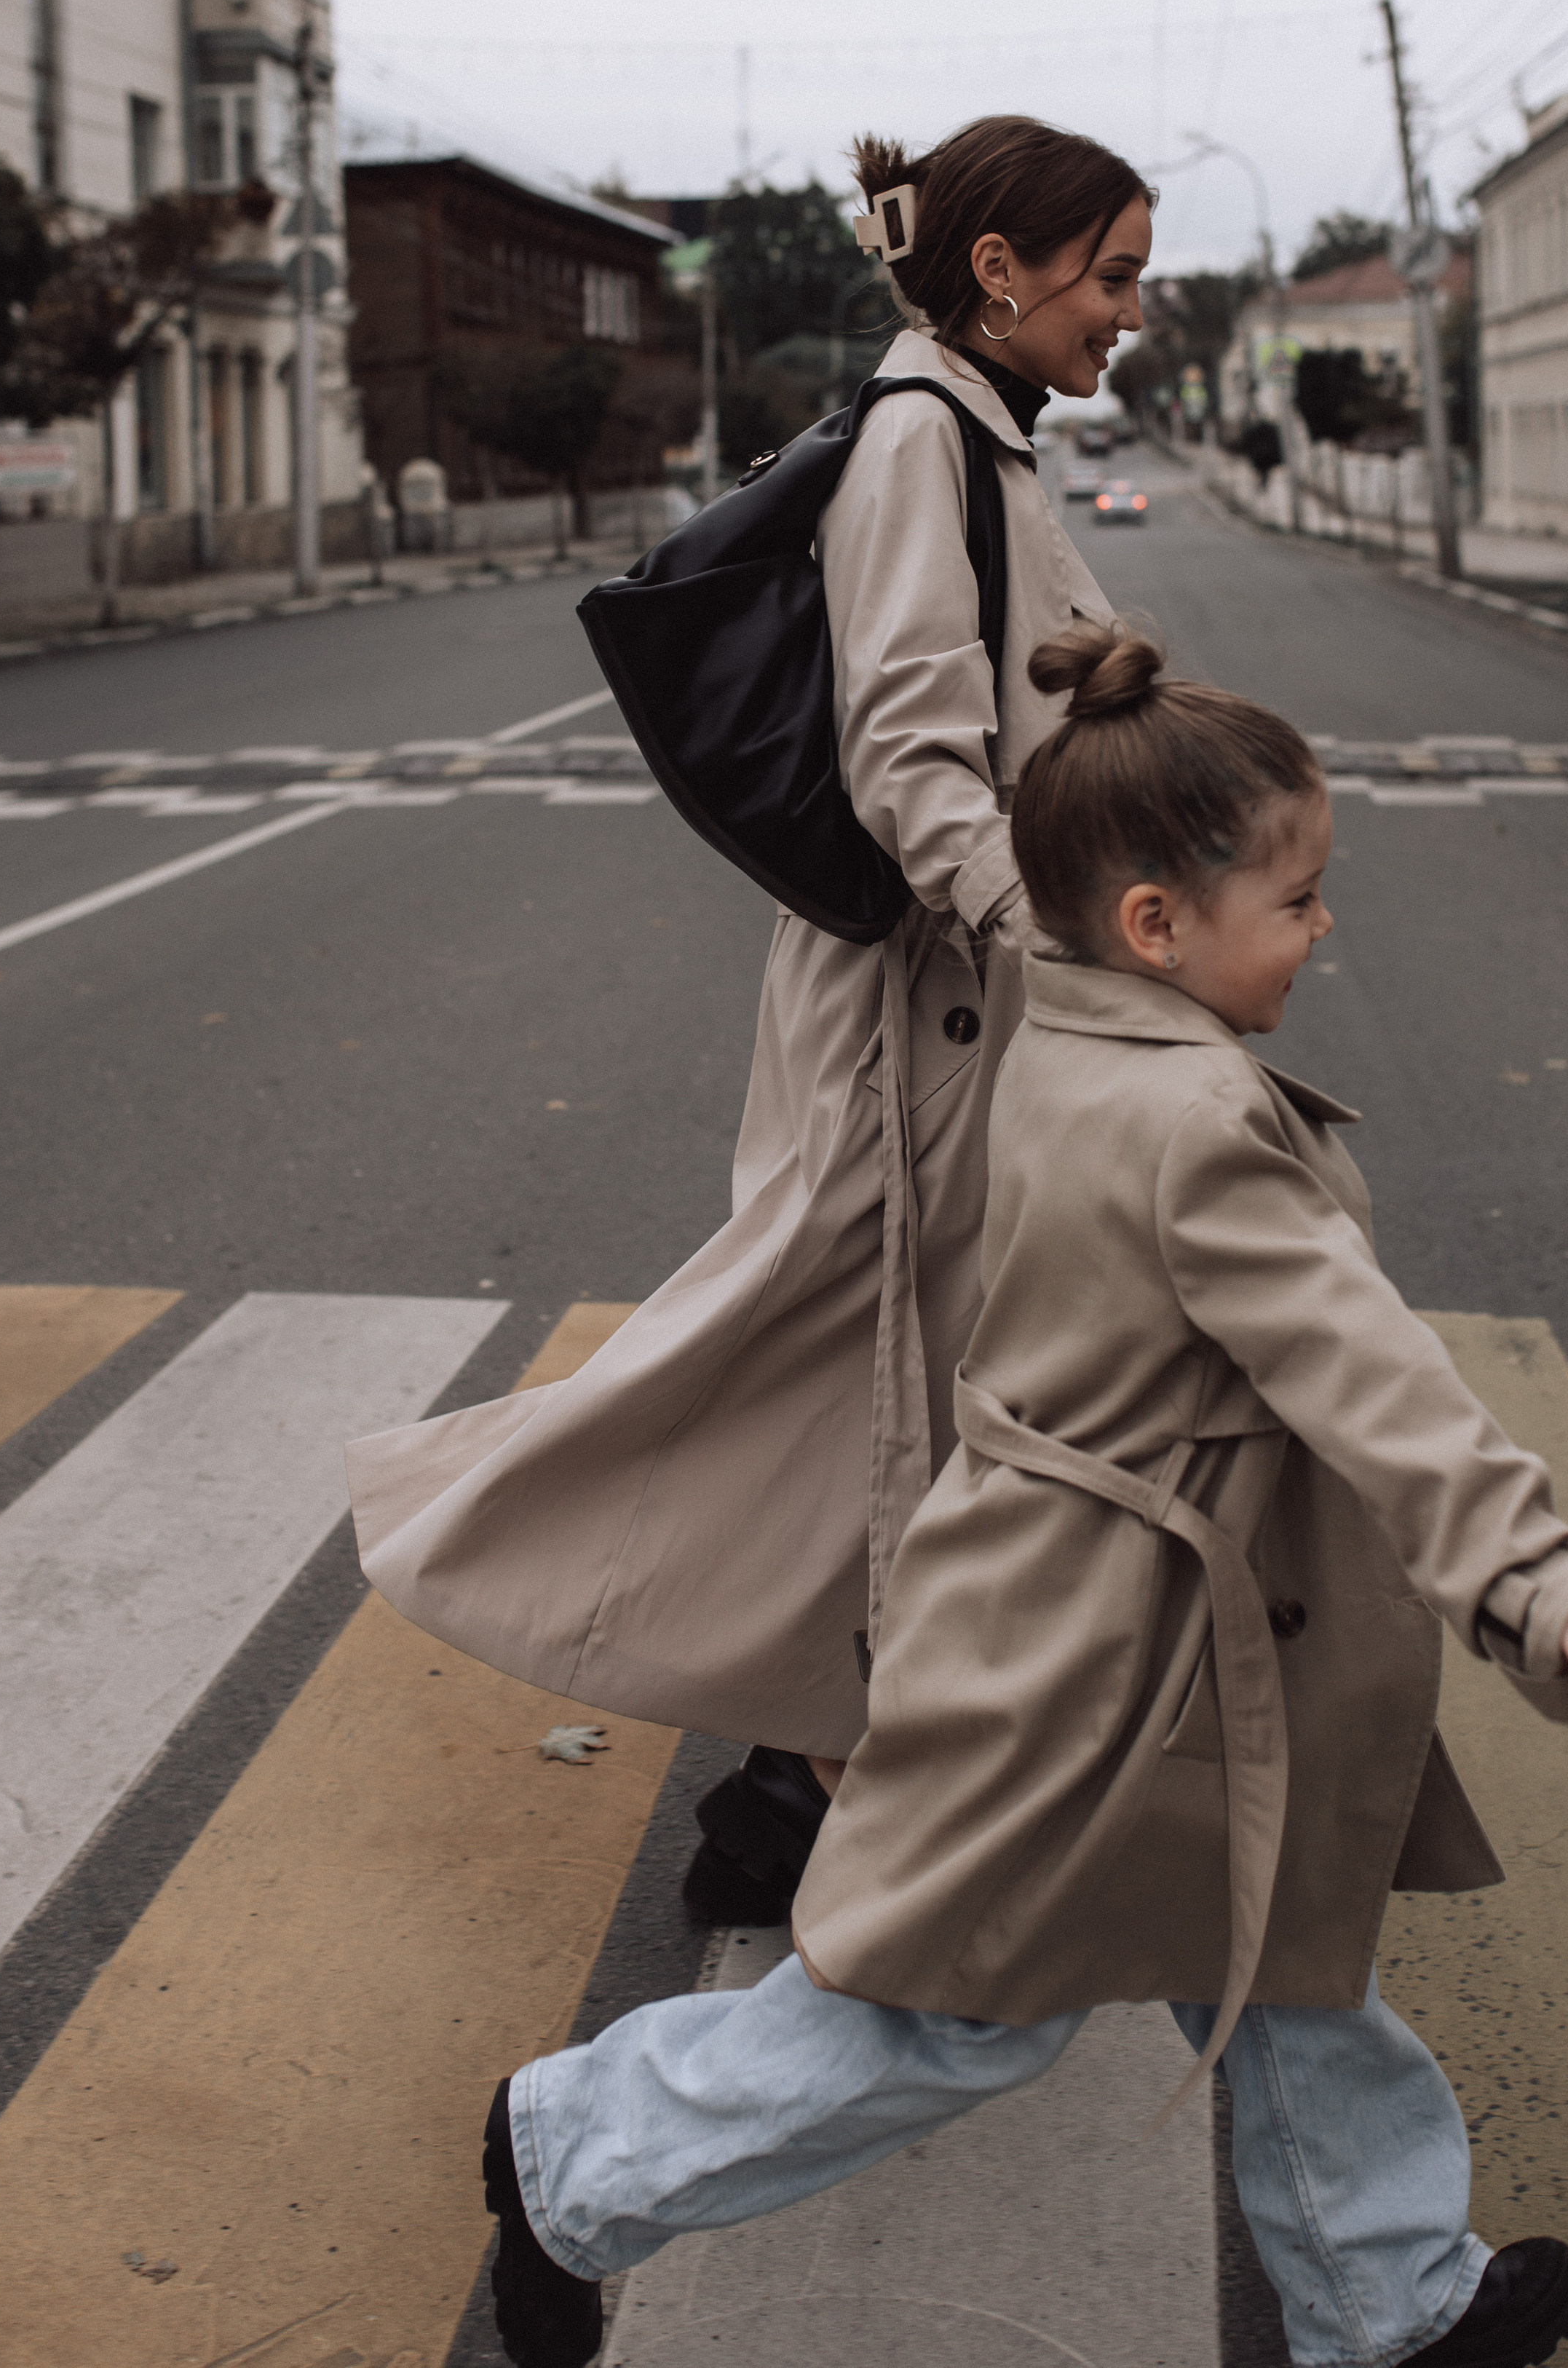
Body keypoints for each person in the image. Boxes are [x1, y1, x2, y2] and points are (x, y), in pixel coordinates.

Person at [479, 622, 1568, 2368]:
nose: (1320, 924)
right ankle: (570, 2157)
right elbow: (1368, 1375)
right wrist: (1538, 1571)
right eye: (1292, 898)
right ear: (1157, 925)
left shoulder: (1065, 1031)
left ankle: (1388, 2302)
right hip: (1095, 1658)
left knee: (1291, 1956)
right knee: (949, 2010)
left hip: (1146, 1622)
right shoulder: (1196, 1118)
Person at [346, 117, 1151, 1918]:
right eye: (1108, 277)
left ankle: (801, 1785)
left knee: (878, 1394)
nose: (1126, 316)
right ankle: (795, 1783)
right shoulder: (921, 447)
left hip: (945, 1006)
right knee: (862, 1389)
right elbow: (913, 765)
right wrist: (1084, 969)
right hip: (924, 1020)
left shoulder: (972, 434)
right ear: (1000, 270)